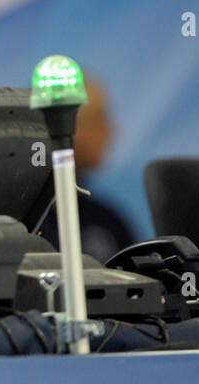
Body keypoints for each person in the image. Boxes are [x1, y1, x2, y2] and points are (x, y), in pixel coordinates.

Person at [38, 74, 137, 261]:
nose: (109, 131)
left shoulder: (107, 222)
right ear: (59, 124)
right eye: (98, 118)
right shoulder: (23, 224)